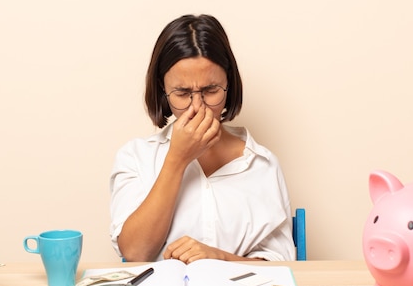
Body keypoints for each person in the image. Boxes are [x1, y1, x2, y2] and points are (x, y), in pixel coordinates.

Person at [109, 14, 295, 263]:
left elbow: (281, 266)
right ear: (163, 91)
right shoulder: (135, 157)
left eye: (210, 91)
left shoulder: (261, 163)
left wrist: (219, 258)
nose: (197, 107)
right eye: (182, 93)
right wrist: (177, 160)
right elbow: (134, 253)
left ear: (229, 86)